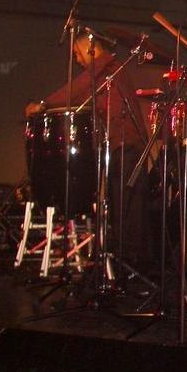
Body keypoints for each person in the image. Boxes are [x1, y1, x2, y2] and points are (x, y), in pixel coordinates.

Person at [25, 30, 150, 269]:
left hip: (127, 144)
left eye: (77, 53)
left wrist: (44, 104)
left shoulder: (105, 66)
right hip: (121, 144)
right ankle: (125, 258)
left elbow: (77, 89)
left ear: (89, 48)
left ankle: (130, 262)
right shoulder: (106, 68)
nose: (77, 60)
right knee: (122, 204)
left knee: (127, 206)